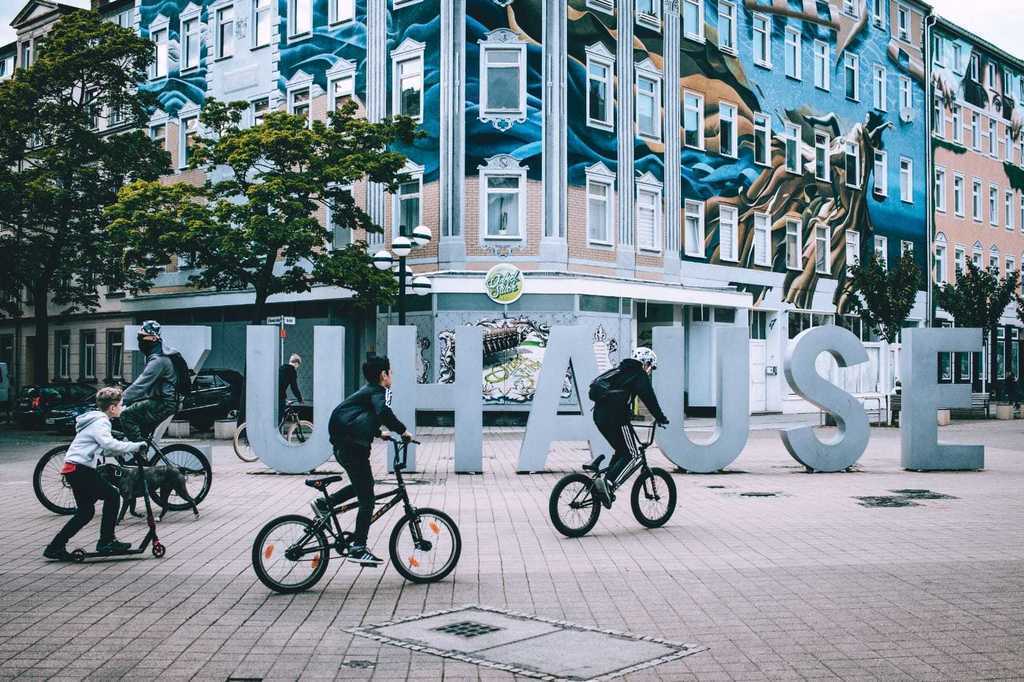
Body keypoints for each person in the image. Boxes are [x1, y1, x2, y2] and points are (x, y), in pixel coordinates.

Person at [314, 356, 413, 566]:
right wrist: (403, 431)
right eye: (390, 372)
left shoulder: (368, 391)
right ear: (383, 375)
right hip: (352, 448)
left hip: (345, 446)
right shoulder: (380, 392)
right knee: (367, 499)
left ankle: (325, 503)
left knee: (365, 486)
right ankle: (358, 547)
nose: (392, 376)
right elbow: (383, 412)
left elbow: (360, 417)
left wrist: (378, 433)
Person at [43, 387, 147, 560]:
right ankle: (107, 541)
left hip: (74, 468)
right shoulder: (101, 422)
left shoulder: (95, 421)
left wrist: (126, 449)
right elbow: (108, 444)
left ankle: (55, 547)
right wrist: (135, 446)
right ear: (112, 408)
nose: (122, 408)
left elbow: (105, 450)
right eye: (121, 405)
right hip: (80, 469)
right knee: (112, 496)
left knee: (85, 512)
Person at [591, 347, 669, 508]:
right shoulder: (638, 374)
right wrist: (661, 418)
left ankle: (603, 482)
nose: (649, 370)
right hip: (617, 419)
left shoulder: (620, 370)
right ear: (645, 362)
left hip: (599, 417)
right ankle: (608, 483)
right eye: (650, 366)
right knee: (632, 454)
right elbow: (649, 398)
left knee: (621, 450)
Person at [120, 320, 179, 443]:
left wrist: (118, 400)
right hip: (162, 401)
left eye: (143, 337)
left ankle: (138, 449)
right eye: (139, 337)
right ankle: (141, 449)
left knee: (126, 415)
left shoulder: (158, 360)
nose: (140, 341)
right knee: (139, 427)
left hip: (164, 403)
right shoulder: (157, 355)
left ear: (153, 338)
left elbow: (141, 385)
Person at [279, 353, 303, 421]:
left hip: (274, 394)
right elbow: (294, 387)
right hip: (280, 396)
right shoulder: (292, 371)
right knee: (279, 418)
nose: (297, 367)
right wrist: (300, 399)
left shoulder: (281, 367)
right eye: (298, 365)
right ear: (296, 363)